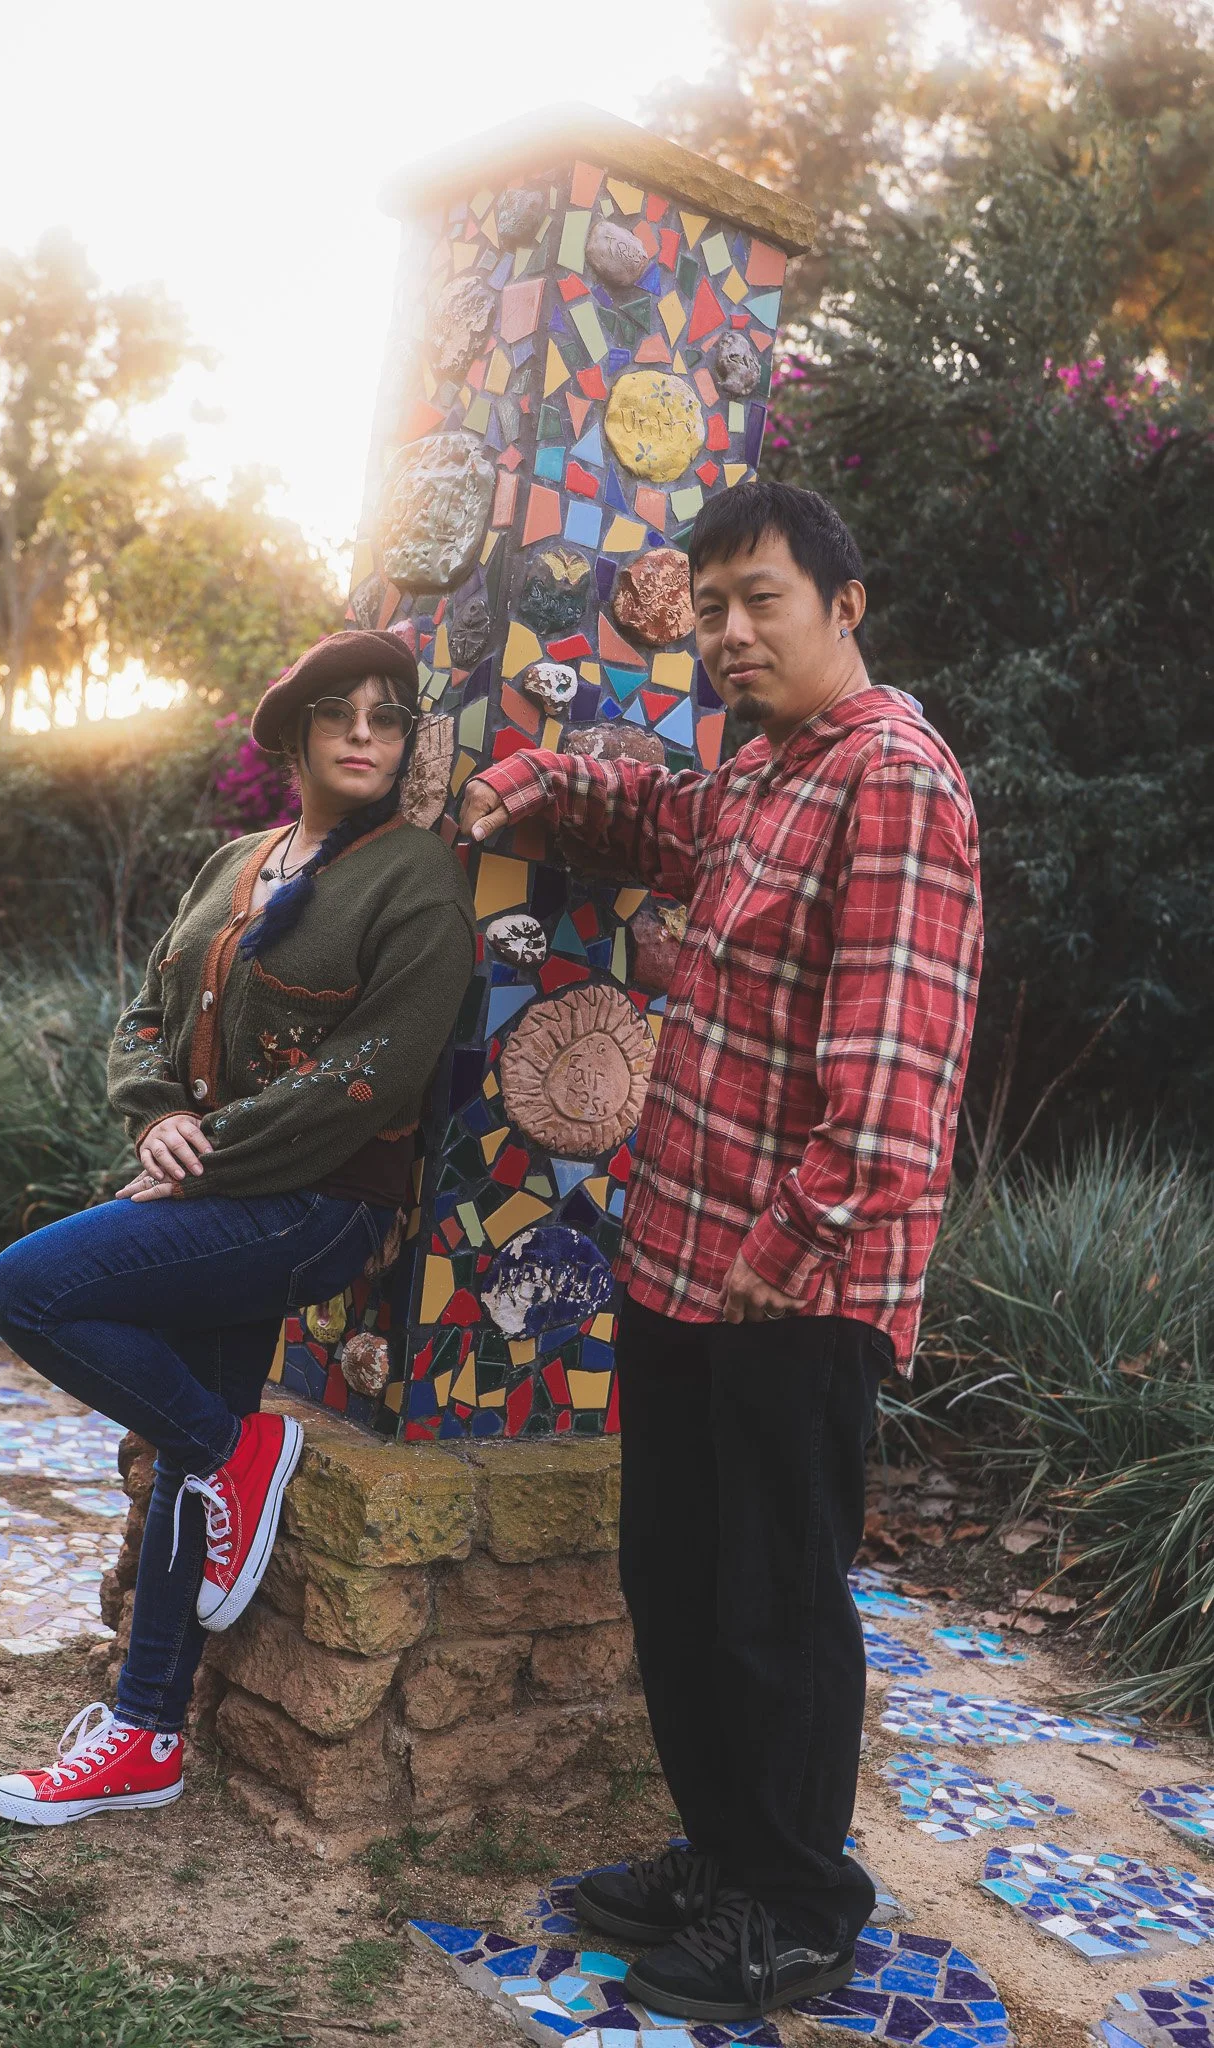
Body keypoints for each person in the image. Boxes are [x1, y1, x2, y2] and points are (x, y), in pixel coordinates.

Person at [459, 481, 982, 2021]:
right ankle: (724, 1850)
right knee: (674, 1579)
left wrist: (790, 1240)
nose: (731, 631)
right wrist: (539, 778)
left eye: (761, 598)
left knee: (772, 1599)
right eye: (710, 609)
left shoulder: (892, 779)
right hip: (684, 1260)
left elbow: (894, 1083)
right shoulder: (761, 774)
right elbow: (664, 821)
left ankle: (801, 1906)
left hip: (791, 1285)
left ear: (845, 603)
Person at [0, 629, 475, 1827]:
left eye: (389, 716)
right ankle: (147, 1732)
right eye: (339, 712)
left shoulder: (415, 879)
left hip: (318, 1207)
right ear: (295, 735)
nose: (365, 731)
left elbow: (378, 1072)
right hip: (215, 1191)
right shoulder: (234, 861)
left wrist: (207, 1161)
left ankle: (236, 1453)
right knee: (194, 1453)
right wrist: (156, 1119)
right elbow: (148, 1011)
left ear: (406, 743)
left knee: (27, 1288)